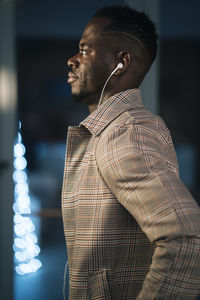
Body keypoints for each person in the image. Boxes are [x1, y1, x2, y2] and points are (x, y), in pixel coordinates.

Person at [62, 5, 200, 300]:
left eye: (85, 50)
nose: (72, 60)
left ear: (120, 61)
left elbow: (187, 236)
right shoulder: (112, 131)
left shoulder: (125, 133)